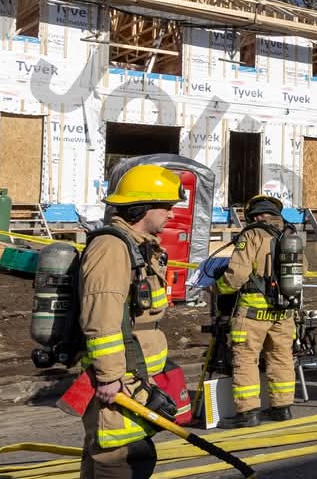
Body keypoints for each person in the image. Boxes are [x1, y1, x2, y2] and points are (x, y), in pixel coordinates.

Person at [79, 164, 182, 479]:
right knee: (117, 458)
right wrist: (110, 376)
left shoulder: (137, 248)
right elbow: (102, 315)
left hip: (134, 372)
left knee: (122, 453)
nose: (170, 213)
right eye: (164, 206)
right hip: (120, 376)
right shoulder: (112, 248)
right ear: (142, 207)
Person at [214, 194, 301, 428]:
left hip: (253, 311)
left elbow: (237, 275)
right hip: (284, 312)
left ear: (256, 215)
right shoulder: (292, 235)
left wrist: (216, 288)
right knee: (281, 358)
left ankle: (248, 413)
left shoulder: (251, 235)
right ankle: (282, 408)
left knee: (245, 359)